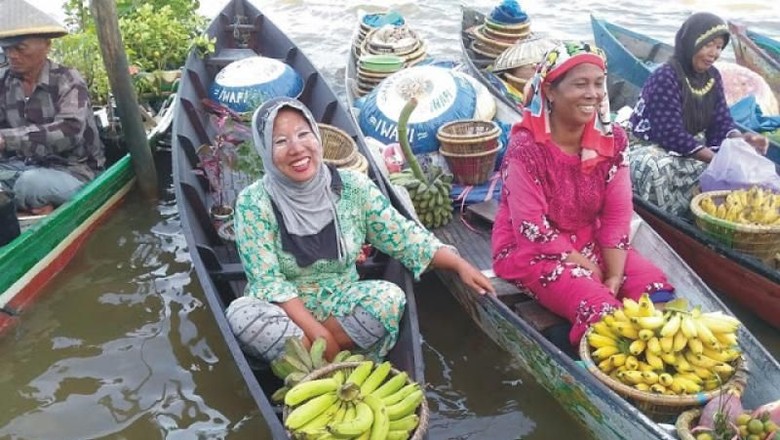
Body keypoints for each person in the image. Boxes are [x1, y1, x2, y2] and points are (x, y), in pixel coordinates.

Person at [225, 97, 494, 363]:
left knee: (389, 299)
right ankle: (330, 356)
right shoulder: (254, 202)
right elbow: (268, 282)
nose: (296, 148)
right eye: (280, 141)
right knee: (242, 316)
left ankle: (310, 361)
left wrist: (458, 264)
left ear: (317, 137)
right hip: (283, 311)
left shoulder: (354, 186)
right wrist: (320, 334)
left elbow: (402, 236)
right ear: (265, 151)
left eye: (303, 134)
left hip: (339, 300)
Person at [491, 42, 674, 347]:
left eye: (598, 83)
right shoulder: (526, 149)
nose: (593, 93)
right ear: (550, 91)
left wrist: (613, 275)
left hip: (590, 238)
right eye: (580, 84)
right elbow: (531, 229)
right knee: (602, 311)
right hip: (532, 250)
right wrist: (587, 267)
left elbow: (617, 215)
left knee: (654, 292)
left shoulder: (612, 138)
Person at [629, 12, 769, 216]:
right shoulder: (666, 76)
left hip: (687, 142)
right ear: (691, 43)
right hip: (650, 144)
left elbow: (721, 123)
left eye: (719, 47)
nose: (714, 53)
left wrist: (742, 141)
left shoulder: (712, 77)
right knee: (658, 167)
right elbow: (670, 133)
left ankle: (709, 215)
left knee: (742, 162)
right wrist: (717, 160)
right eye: (708, 45)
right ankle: (668, 218)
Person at [0, 0, 105, 214]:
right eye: (7, 49)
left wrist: (6, 139)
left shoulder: (67, 79)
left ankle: (33, 201)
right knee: (25, 182)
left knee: (30, 185)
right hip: (25, 166)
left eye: (20, 48)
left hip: (75, 170)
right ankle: (32, 203)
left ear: (47, 45)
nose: (12, 55)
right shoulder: (4, 81)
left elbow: (70, 132)